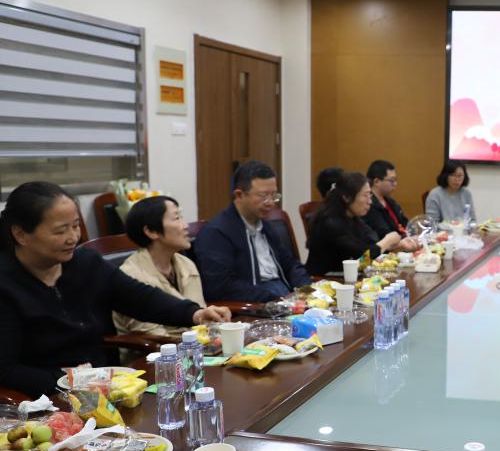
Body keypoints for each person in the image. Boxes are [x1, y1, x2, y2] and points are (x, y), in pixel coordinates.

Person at [0, 182, 229, 397]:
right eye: (60, 231)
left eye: (76, 226)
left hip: (107, 389)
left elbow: (141, 298)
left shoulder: (86, 264)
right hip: (46, 400)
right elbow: (6, 369)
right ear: (21, 234)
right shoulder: (6, 285)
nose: (73, 238)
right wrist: (69, 383)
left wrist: (194, 313)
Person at [193, 161, 310, 302]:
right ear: (239, 195)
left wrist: (306, 290)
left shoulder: (265, 226)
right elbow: (222, 287)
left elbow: (290, 264)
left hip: (284, 296)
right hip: (256, 303)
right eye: (263, 196)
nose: (270, 202)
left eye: (274, 196)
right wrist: (278, 300)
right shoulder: (216, 233)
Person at [113, 195, 207, 337]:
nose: (185, 225)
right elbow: (152, 335)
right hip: (158, 349)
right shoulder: (130, 275)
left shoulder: (186, 264)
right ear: (151, 231)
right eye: (176, 218)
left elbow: (201, 320)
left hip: (197, 345)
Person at [306, 172, 420, 275]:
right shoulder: (330, 223)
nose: (370, 201)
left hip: (346, 278)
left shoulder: (354, 219)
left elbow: (370, 249)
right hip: (323, 280)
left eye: (370, 195)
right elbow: (363, 257)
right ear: (346, 197)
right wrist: (387, 241)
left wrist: (399, 245)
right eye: (365, 195)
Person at [363, 160, 408, 238]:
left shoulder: (391, 202)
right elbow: (384, 233)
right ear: (376, 181)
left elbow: (405, 224)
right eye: (392, 180)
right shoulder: (368, 205)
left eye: (395, 180)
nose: (395, 184)